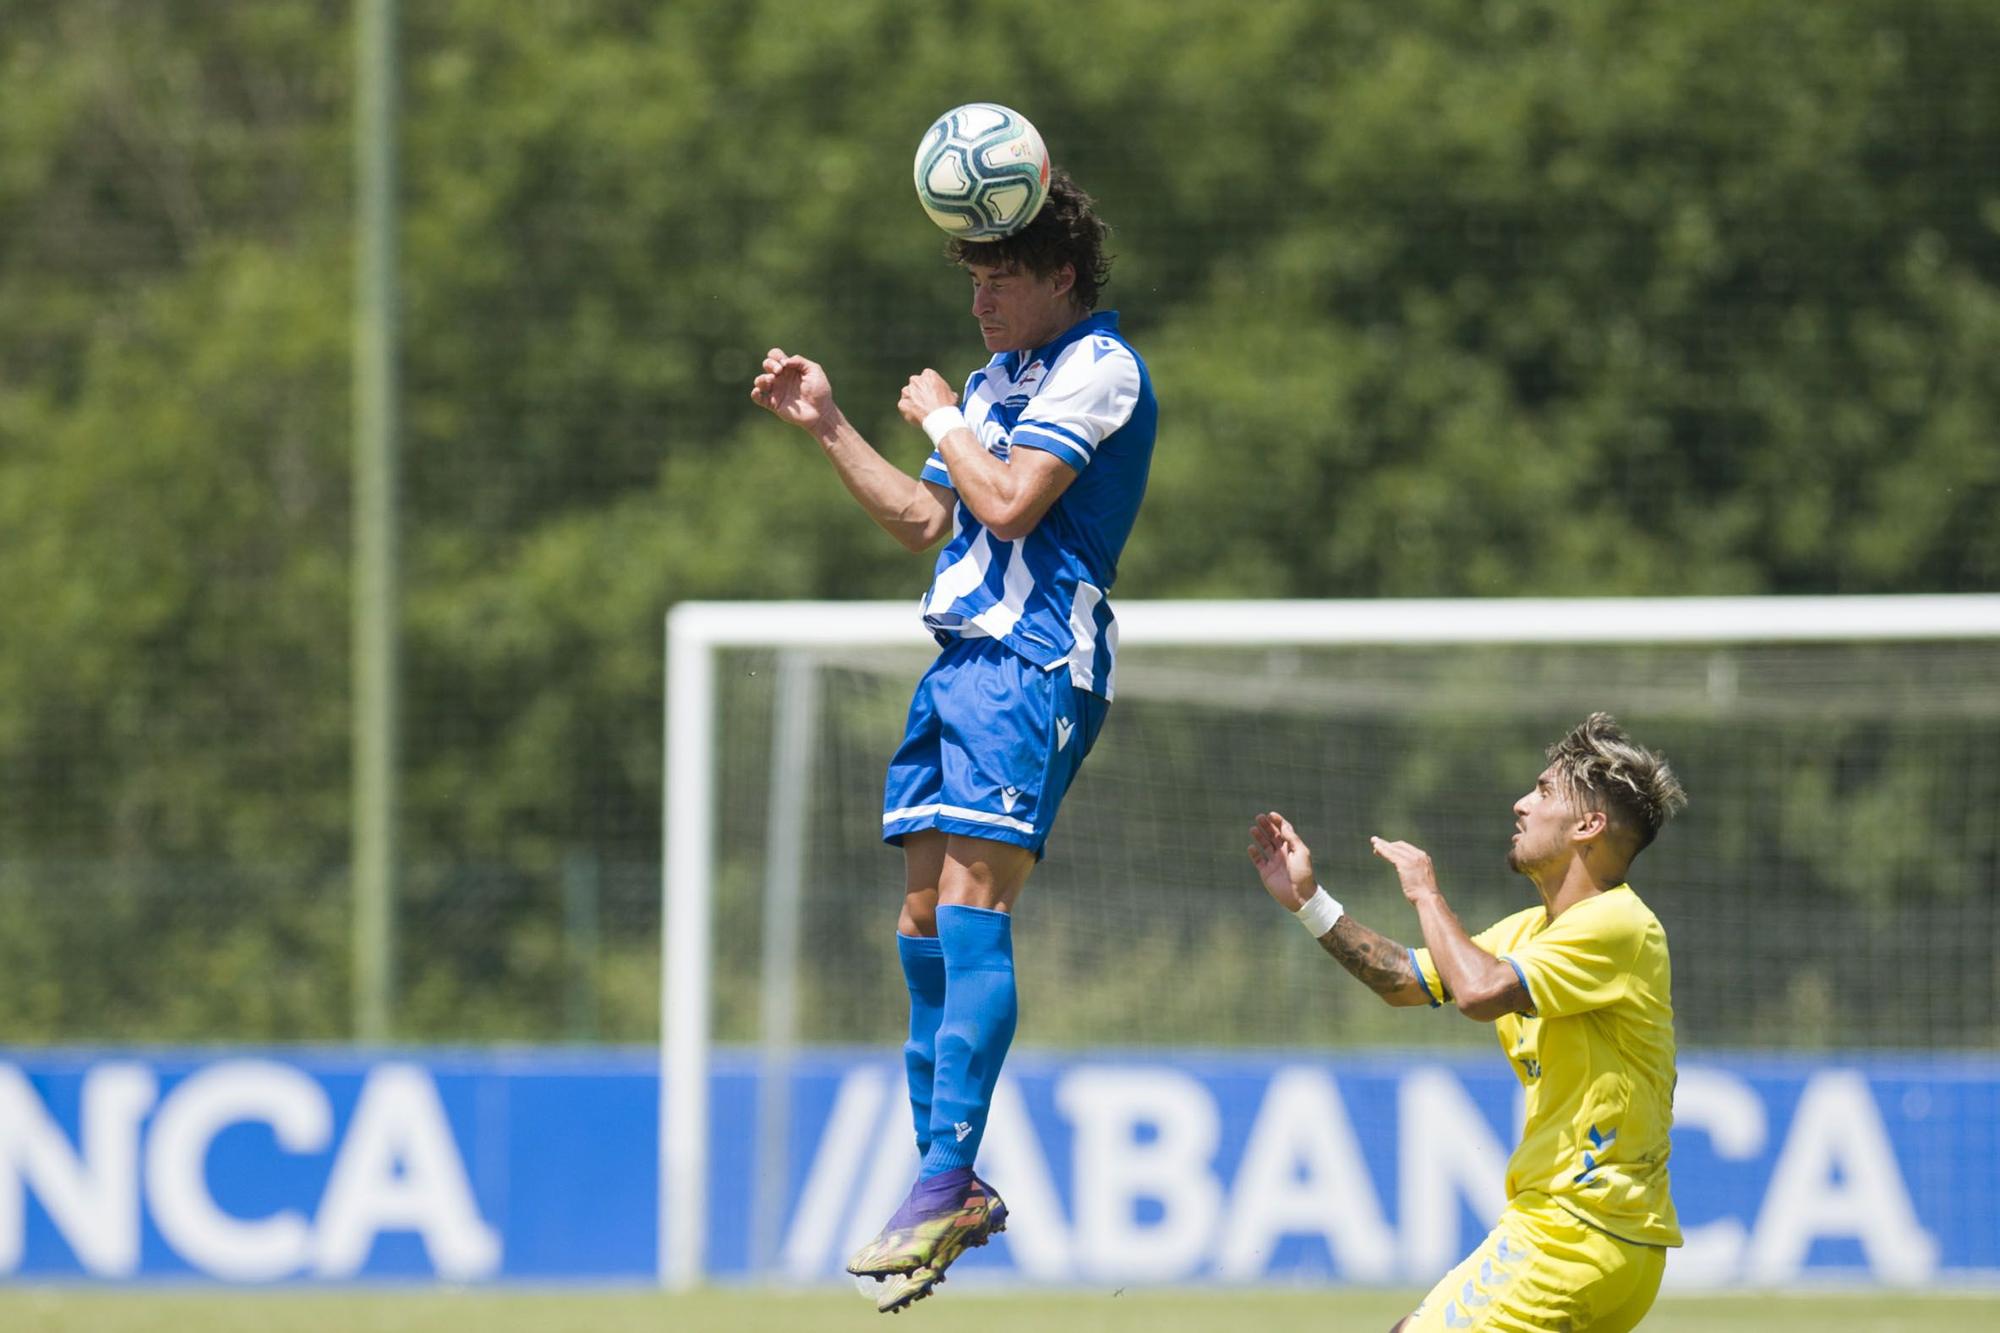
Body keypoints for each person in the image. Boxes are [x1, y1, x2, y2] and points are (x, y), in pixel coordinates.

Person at [750, 169, 1156, 1313]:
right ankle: (946, 1175)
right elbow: (929, 519)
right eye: (972, 281)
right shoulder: (994, 378)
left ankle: (942, 1176)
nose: (980, 304)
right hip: (958, 664)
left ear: (1059, 277)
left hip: (1031, 664)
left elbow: (1013, 500)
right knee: (921, 917)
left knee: (976, 906)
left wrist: (939, 416)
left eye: (1000, 280)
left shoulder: (1098, 366)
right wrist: (830, 425)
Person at [1247, 713, 1687, 1332]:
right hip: (1599, 1240)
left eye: (1542, 792)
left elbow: (1479, 991)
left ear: (1588, 825)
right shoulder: (1529, 934)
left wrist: (1426, 893)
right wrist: (1310, 903)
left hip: (1574, 1232)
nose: (1521, 805)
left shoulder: (1618, 922)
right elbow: (1403, 979)